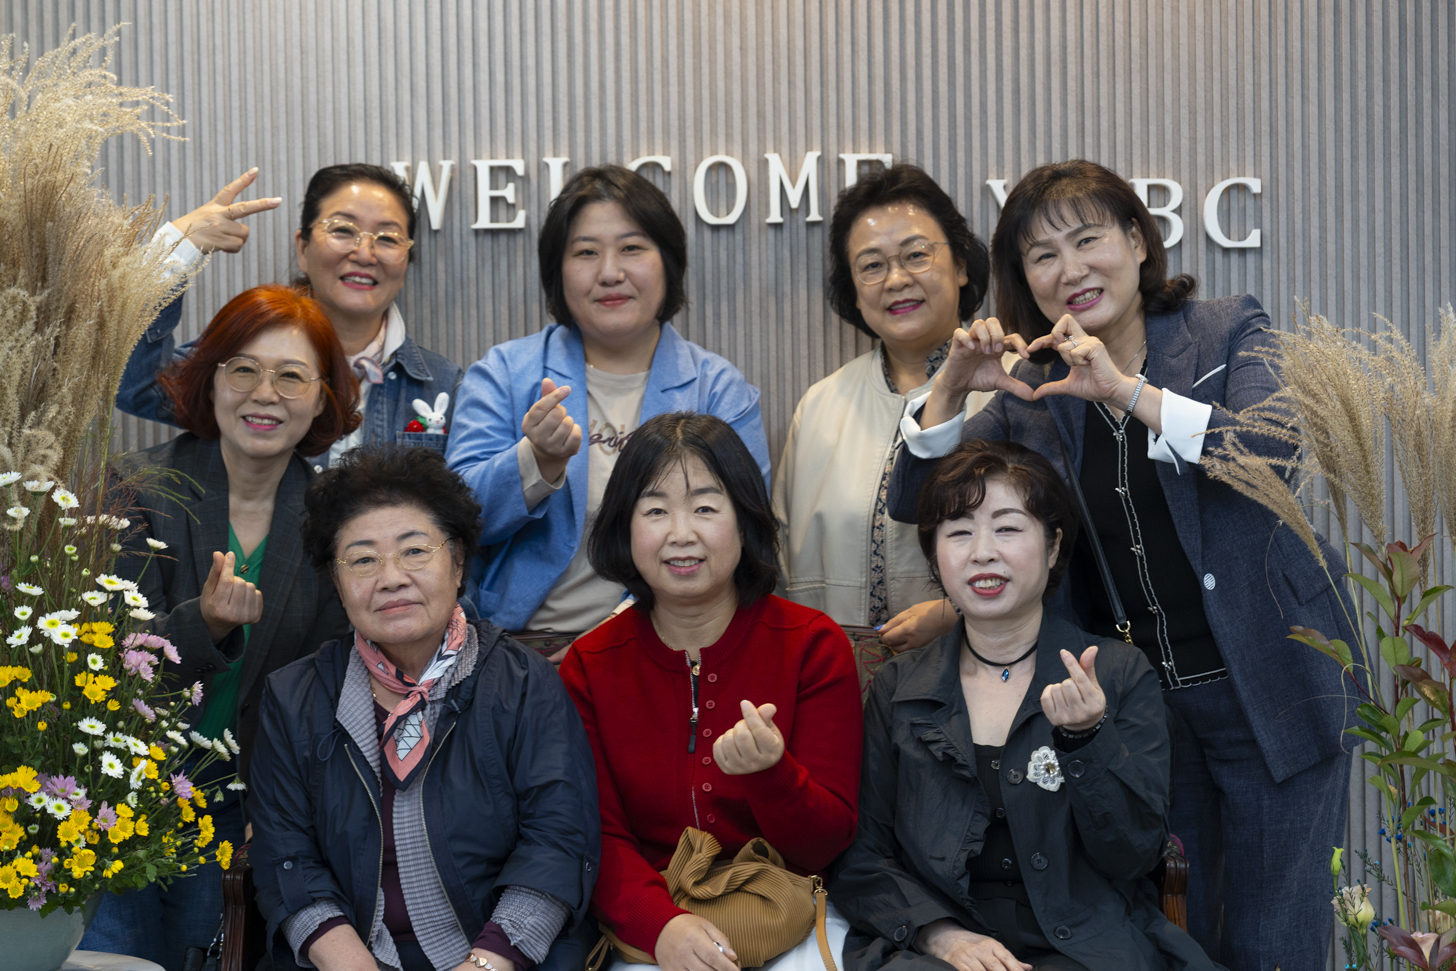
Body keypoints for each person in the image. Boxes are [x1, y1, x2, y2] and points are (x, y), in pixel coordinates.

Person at [887, 160, 1354, 970]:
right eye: (1042, 255)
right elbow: (918, 500)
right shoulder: (1035, 389)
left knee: (1274, 942)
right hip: (1140, 711)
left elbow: (1269, 449)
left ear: (1137, 241)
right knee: (1175, 936)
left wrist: (1125, 390)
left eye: (1088, 239)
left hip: (1274, 684)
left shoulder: (1226, 330)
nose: (1070, 269)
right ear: (1023, 279)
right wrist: (951, 388)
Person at [834, 439, 1218, 971]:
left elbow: (1134, 854)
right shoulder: (899, 686)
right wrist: (942, 937)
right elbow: (863, 857)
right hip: (938, 951)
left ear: (1054, 546)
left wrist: (1087, 739)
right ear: (934, 554)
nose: (982, 552)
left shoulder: (1117, 674)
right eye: (959, 531)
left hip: (1085, 946)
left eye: (1008, 528)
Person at [80, 284, 361, 970]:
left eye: (291, 376)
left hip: (243, 807)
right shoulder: (137, 488)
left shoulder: (336, 518)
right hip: (116, 796)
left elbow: (330, 686)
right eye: (244, 370)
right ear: (210, 381)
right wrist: (203, 624)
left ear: (322, 399)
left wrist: (286, 807)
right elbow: (109, 663)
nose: (264, 394)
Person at [249, 446, 601, 971]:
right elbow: (286, 856)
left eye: (415, 551)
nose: (391, 578)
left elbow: (557, 841)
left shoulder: (525, 684)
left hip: (504, 959)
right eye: (363, 560)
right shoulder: (293, 697)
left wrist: (486, 963)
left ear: (457, 563)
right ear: (337, 584)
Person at [560, 412, 862, 971]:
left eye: (704, 507)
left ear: (744, 520)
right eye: (655, 510)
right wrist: (662, 926)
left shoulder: (812, 645)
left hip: (788, 911)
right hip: (650, 921)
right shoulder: (590, 665)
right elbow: (594, 837)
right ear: (625, 527)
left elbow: (826, 844)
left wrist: (771, 774)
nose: (681, 533)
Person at [447, 165, 770, 636]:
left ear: (668, 261)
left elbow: (749, 536)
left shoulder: (717, 388)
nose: (610, 273)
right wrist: (537, 462)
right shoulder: (505, 373)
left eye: (632, 248)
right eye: (586, 252)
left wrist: (616, 640)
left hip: (664, 643)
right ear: (557, 270)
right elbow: (455, 521)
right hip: (517, 649)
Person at [773, 164, 1015, 652]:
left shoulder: (1017, 385)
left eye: (916, 255)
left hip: (982, 666)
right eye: (871, 265)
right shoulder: (819, 406)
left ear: (961, 265)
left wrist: (956, 613)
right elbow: (780, 559)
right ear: (853, 290)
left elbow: (1061, 546)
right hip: (835, 677)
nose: (897, 279)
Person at [118, 164, 463, 466]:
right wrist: (175, 249)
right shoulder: (238, 361)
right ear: (303, 248)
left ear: (406, 261)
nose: (364, 253)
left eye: (388, 238)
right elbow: (135, 384)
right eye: (343, 230)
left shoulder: (445, 384)